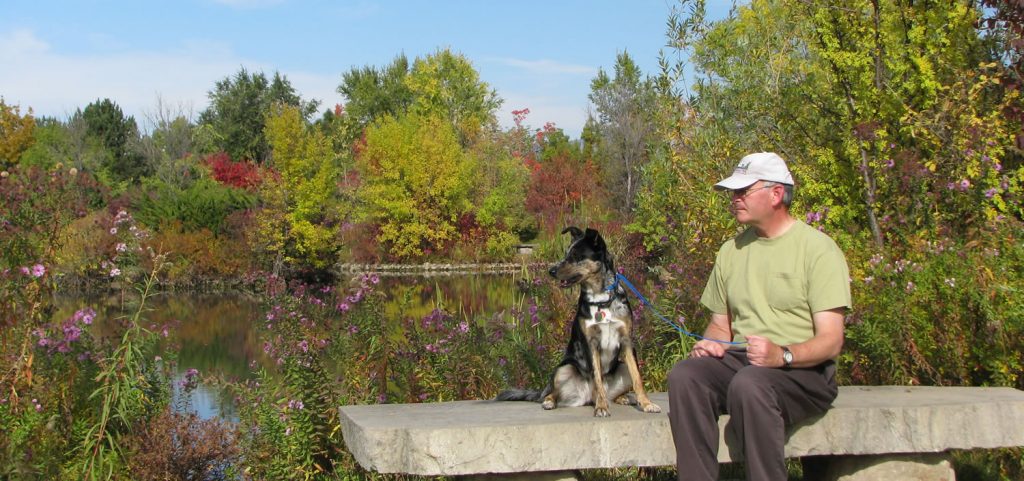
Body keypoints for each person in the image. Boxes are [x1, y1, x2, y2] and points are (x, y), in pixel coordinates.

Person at [667, 152, 851, 481]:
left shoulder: (818, 250)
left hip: (803, 370)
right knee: (686, 375)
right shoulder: (731, 251)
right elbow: (721, 326)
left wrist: (782, 355)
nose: (734, 200)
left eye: (743, 192)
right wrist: (710, 346)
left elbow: (831, 340)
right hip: (745, 363)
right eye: (733, 193)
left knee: (750, 384)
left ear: (776, 194)